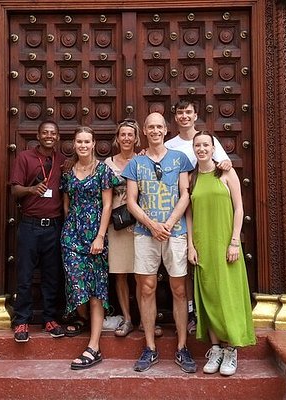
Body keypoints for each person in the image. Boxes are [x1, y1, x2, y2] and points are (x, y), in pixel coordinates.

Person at [122, 112, 197, 373]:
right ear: (144, 130)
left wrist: (168, 224)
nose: (155, 130)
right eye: (150, 126)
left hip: (175, 233)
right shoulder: (135, 163)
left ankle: (182, 347)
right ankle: (150, 347)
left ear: (166, 130)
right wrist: (153, 225)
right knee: (146, 288)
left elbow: (185, 194)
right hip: (145, 234)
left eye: (159, 127)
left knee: (179, 289)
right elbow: (131, 200)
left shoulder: (180, 159)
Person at [186, 131, 256, 376]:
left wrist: (234, 242)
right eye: (198, 145)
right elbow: (189, 214)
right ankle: (215, 348)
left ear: (213, 148)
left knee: (228, 295)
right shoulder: (192, 178)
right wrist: (190, 246)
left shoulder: (226, 172)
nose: (202, 149)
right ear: (193, 149)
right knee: (209, 296)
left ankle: (231, 349)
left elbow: (239, 208)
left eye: (206, 145)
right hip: (203, 245)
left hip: (226, 243)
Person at [166, 98, 232, 335]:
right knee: (185, 267)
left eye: (189, 112)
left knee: (203, 267)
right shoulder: (170, 144)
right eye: (180, 112)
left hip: (206, 209)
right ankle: (192, 312)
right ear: (175, 117)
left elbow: (225, 164)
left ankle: (212, 318)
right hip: (179, 210)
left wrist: (225, 162)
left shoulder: (206, 140)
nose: (184, 116)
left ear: (195, 115)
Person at [60, 126, 115, 370]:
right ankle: (83, 319)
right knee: (76, 284)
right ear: (74, 144)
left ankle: (93, 346)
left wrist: (100, 236)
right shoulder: (68, 172)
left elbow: (107, 205)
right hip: (72, 237)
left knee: (95, 291)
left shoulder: (102, 170)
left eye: (87, 142)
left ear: (94, 144)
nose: (83, 145)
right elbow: (66, 205)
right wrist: (69, 231)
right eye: (79, 141)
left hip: (96, 236)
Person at [10, 120, 66, 343]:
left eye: (53, 133)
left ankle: (50, 319)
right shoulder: (25, 158)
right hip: (30, 226)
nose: (49, 136)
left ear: (58, 137)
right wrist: (31, 189)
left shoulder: (62, 161)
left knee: (52, 276)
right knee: (24, 275)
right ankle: (22, 320)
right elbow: (15, 191)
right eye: (45, 132)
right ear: (38, 135)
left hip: (53, 226)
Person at [104, 119, 141, 338]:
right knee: (120, 273)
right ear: (117, 139)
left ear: (136, 139)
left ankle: (145, 319)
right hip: (116, 225)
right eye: (123, 135)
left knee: (143, 274)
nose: (126, 138)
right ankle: (127, 318)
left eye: (130, 135)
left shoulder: (144, 160)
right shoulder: (107, 164)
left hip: (140, 223)